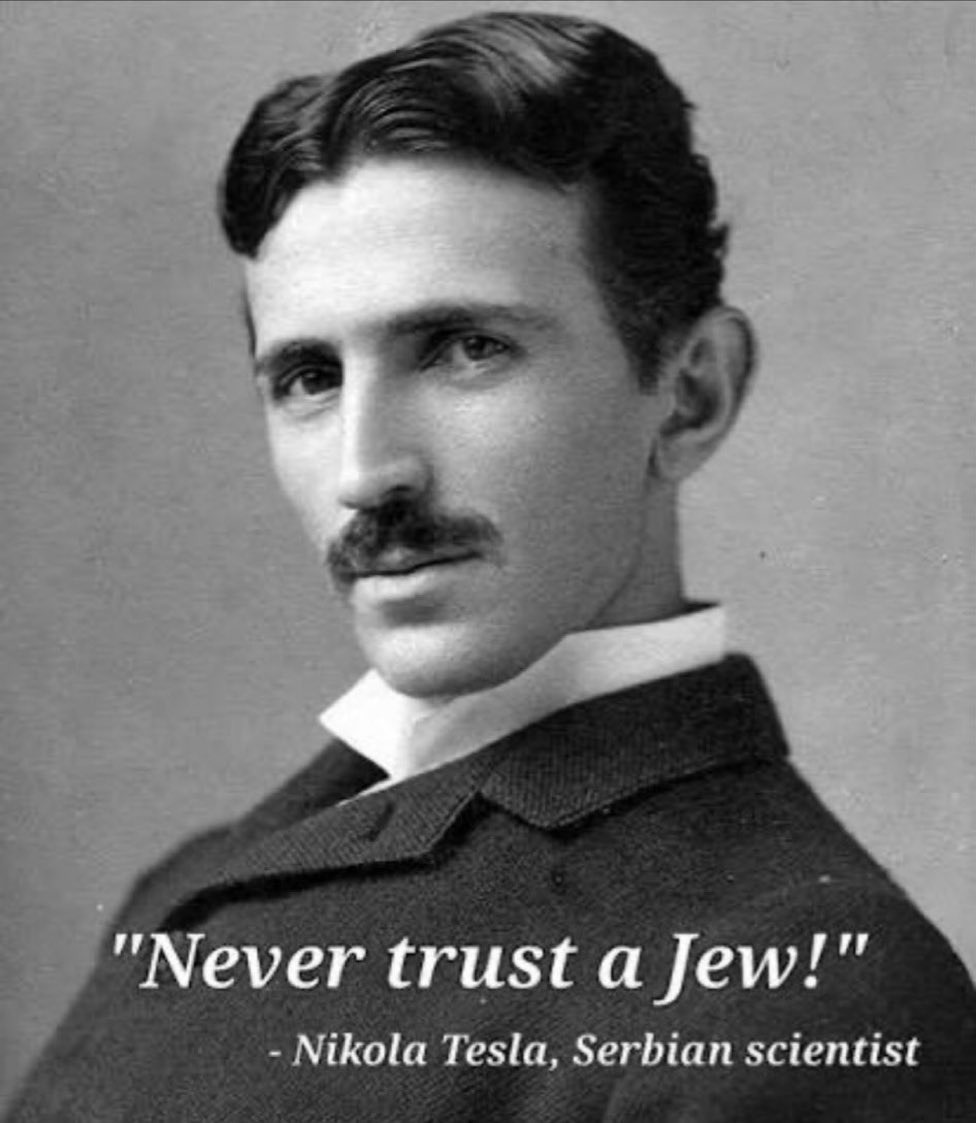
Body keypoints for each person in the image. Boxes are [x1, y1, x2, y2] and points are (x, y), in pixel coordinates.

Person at [7, 10, 975, 1121]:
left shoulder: (792, 986)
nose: (367, 472)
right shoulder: (190, 886)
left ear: (689, 395)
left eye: (468, 348)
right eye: (310, 377)